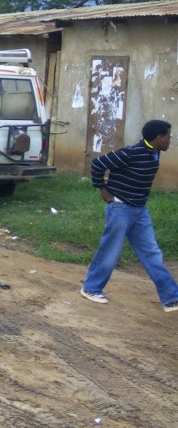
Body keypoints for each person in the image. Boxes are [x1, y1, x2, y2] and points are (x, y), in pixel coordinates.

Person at [80, 119, 178, 312]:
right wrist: (103, 189)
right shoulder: (130, 153)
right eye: (168, 136)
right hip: (121, 209)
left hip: (140, 210)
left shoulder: (154, 152)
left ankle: (171, 298)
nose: (170, 140)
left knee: (152, 253)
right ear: (158, 137)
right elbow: (98, 164)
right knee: (110, 251)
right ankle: (90, 288)